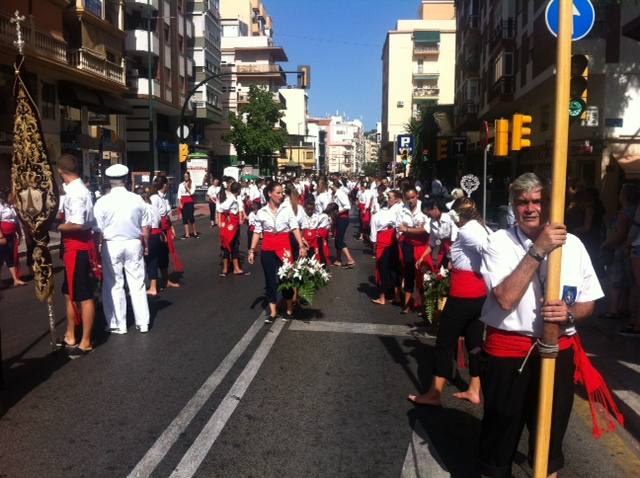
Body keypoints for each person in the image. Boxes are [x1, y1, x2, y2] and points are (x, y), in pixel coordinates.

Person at [478, 173, 617, 478]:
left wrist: (568, 314)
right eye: (522, 202)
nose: (530, 208)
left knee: (549, 438)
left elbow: (588, 303)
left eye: (537, 201)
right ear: (513, 207)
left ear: (549, 204)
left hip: (558, 352)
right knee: (500, 434)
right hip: (509, 354)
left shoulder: (575, 245)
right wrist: (538, 249)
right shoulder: (498, 242)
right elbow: (504, 298)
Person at [408, 197, 490, 406]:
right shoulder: (482, 227)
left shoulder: (467, 231)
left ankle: (435, 394)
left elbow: (489, 250)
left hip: (463, 295)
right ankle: (474, 388)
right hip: (478, 295)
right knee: (474, 343)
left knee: (444, 342)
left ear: (458, 215)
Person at [94, 164, 151, 334]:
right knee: (137, 283)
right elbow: (145, 227)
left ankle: (119, 323)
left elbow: (98, 230)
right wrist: (145, 245)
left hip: (111, 244)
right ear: (126, 180)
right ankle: (143, 322)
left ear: (109, 181)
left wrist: (97, 249)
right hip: (133, 242)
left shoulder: (102, 202)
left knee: (114, 284)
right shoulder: (137, 199)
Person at [55, 155, 98, 357]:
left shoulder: (77, 192)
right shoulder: (74, 190)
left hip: (79, 247)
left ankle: (86, 341)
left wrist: (54, 226)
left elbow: (78, 224)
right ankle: (70, 334)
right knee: (69, 292)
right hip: (72, 247)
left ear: (61, 172)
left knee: (84, 296)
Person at [248, 181, 307, 323]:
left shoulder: (287, 210)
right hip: (268, 247)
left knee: (285, 278)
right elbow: (257, 231)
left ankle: (288, 309)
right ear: (270, 194)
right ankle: (273, 312)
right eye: (278, 193)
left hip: (284, 246)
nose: (281, 196)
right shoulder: (261, 212)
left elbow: (294, 228)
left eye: (282, 193)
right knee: (270, 280)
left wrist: (301, 245)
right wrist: (251, 250)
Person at [397, 186, 429, 314]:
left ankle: (423, 303)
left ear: (417, 196)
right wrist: (414, 229)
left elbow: (426, 228)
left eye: (413, 197)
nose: (411, 200)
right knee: (408, 271)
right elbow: (399, 227)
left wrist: (408, 229)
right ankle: (408, 302)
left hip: (422, 244)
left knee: (422, 271)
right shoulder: (402, 209)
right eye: (408, 198)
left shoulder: (424, 207)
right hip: (408, 244)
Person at [370, 192, 402, 305]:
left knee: (382, 269)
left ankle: (382, 297)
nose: (388, 200)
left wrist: (374, 246)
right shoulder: (396, 211)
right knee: (393, 268)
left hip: (384, 240)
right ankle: (396, 295)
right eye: (388, 198)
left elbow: (373, 236)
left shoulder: (377, 215)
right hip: (392, 238)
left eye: (390, 198)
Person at [418, 197, 458, 271]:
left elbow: (454, 241)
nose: (428, 216)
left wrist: (452, 259)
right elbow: (432, 243)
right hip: (444, 253)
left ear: (435, 207)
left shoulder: (450, 218)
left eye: (428, 214)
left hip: (455, 253)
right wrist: (422, 257)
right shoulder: (432, 222)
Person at [217, 181, 247, 276]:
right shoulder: (231, 199)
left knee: (231, 245)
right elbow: (220, 208)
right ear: (238, 190)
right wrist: (224, 217)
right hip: (231, 225)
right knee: (231, 245)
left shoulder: (234, 198)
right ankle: (231, 268)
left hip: (234, 224)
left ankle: (230, 268)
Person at [0, 190, 25, 287]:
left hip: (11, 235)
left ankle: (16, 279)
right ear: (6, 196)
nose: (14, 198)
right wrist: (1, 236)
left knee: (10, 257)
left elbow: (16, 221)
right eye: (11, 196)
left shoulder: (11, 206)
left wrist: (19, 233)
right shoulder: (0, 206)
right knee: (0, 258)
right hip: (3, 235)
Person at [331, 179, 356, 268]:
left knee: (339, 240)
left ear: (333, 186)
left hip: (343, 219)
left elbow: (347, 206)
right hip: (338, 219)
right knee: (337, 239)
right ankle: (338, 260)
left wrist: (338, 212)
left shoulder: (340, 194)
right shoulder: (335, 194)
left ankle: (350, 259)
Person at [178, 171, 199, 239]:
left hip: (189, 201)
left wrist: (187, 187)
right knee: (185, 218)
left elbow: (192, 193)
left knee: (191, 217)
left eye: (187, 176)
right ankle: (187, 234)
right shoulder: (181, 184)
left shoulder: (192, 184)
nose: (185, 177)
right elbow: (179, 195)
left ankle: (195, 232)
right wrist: (180, 203)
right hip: (183, 201)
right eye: (184, 176)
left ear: (189, 176)